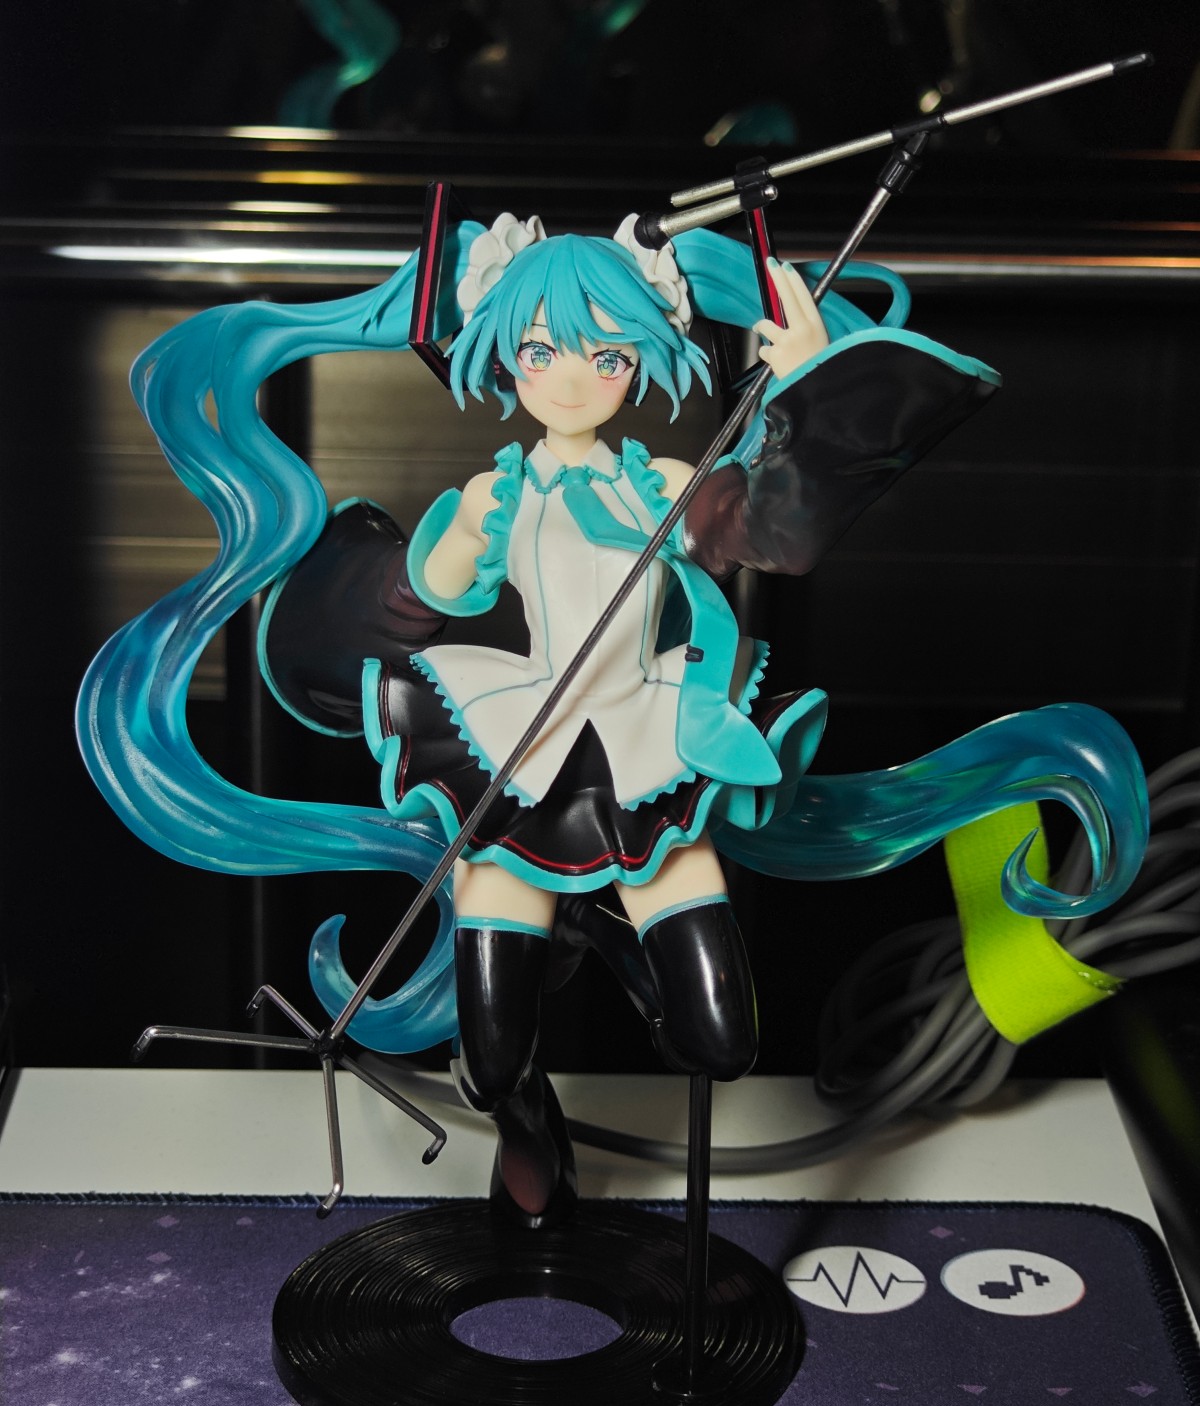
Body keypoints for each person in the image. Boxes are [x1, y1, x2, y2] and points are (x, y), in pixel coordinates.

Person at [77, 210, 1148, 1222]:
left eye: (607, 354)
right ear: (503, 358)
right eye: (542, 351)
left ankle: (602, 925)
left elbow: (773, 532)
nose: (573, 377)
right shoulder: (492, 493)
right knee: (492, 1059)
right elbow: (420, 596)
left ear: (641, 358)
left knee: (721, 1039)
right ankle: (532, 1132)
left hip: (648, 755)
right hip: (518, 753)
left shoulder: (665, 483)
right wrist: (441, 553)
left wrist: (804, 389)